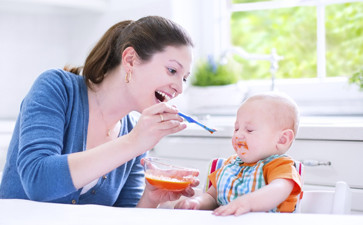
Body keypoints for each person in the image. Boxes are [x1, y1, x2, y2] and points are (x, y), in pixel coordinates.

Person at [0, 15, 199, 208]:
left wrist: (150, 199)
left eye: (184, 78)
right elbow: (38, 181)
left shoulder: (135, 133)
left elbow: (124, 216)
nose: (179, 89)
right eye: (172, 70)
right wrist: (133, 142)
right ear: (130, 60)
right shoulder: (57, 88)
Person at [175, 92, 302, 215]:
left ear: (282, 139)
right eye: (236, 128)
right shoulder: (229, 165)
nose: (238, 134)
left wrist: (247, 203)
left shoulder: (281, 166)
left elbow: (278, 190)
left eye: (249, 130)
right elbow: (211, 197)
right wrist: (197, 202)